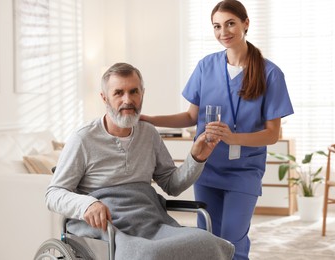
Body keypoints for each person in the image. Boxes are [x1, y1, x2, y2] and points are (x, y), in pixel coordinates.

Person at [140, 1, 294, 259]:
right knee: (207, 237)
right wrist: (151, 119)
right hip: (208, 168)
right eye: (217, 26)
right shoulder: (206, 66)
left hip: (245, 170)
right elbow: (191, 116)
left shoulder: (271, 74)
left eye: (231, 23)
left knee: (233, 240)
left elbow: (271, 134)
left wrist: (233, 138)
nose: (224, 31)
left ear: (246, 23)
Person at [45, 62, 235, 259]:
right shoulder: (83, 139)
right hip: (106, 226)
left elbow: (172, 185)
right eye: (118, 93)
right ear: (104, 98)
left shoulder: (149, 133)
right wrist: (86, 205)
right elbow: (53, 194)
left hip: (150, 220)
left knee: (208, 242)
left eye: (133, 91)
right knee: (149, 254)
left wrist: (197, 157)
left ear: (142, 93)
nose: (128, 100)